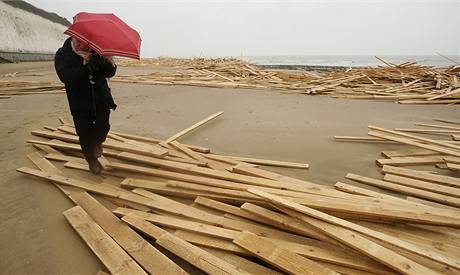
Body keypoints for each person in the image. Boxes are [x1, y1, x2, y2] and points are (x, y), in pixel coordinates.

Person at [54, 36, 117, 174]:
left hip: (100, 96)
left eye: (86, 43)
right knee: (84, 131)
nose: (83, 46)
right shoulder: (63, 54)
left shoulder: (97, 50)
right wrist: (86, 69)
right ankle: (91, 160)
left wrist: (103, 62)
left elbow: (110, 72)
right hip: (79, 99)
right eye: (80, 42)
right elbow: (65, 76)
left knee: (103, 125)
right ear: (73, 38)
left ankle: (98, 141)